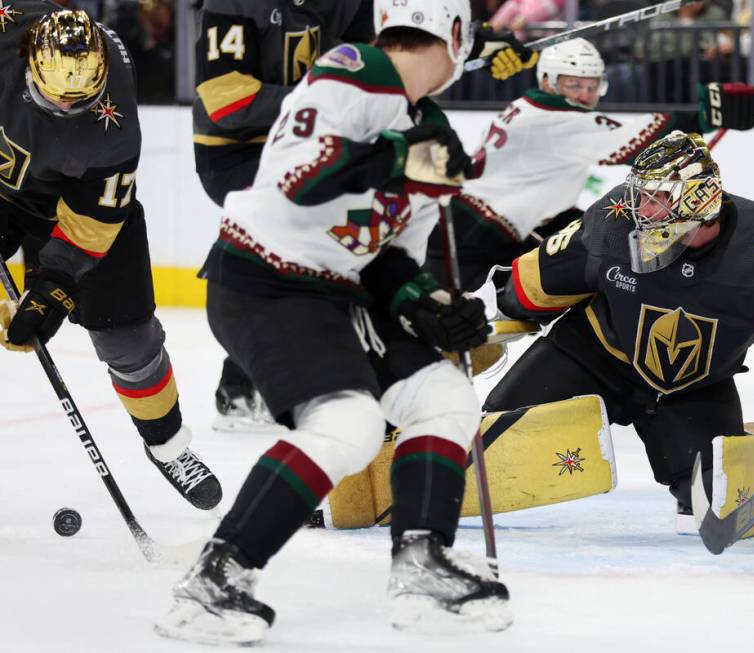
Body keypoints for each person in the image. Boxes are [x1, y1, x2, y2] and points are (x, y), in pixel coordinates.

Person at [154, 0, 512, 644]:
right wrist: (399, 152)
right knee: (349, 423)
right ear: (454, 35)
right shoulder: (353, 70)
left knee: (444, 396)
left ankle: (422, 559)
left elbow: (395, 261)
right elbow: (302, 181)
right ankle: (218, 578)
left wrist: (432, 310)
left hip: (341, 291)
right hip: (266, 283)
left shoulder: (436, 135)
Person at [482, 130, 754, 528]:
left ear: (698, 198)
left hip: (694, 386)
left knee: (713, 501)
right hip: (592, 355)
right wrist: (487, 317)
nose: (639, 207)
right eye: (640, 194)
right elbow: (538, 278)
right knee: (495, 438)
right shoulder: (614, 221)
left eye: (655, 197)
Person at [195, 0, 537, 431]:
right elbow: (227, 99)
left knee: (390, 232)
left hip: (332, 140)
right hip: (240, 152)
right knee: (319, 248)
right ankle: (300, 378)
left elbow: (389, 52)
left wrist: (469, 43)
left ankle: (371, 361)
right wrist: (336, 94)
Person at [0, 5, 222, 510]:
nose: (67, 109)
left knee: (129, 337)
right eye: (55, 97)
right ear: (29, 60)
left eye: (81, 101)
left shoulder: (113, 127)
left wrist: (53, 287)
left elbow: (92, 222)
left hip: (80, 205)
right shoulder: (8, 28)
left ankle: (167, 446)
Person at [423, 37, 754, 292]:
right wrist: (709, 112)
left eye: (591, 86)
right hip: (476, 231)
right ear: (547, 81)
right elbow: (641, 142)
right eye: (573, 84)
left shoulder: (531, 107)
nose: (584, 95)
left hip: (483, 222)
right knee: (440, 317)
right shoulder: (556, 119)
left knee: (591, 241)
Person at [193, 0, 375, 431]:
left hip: (304, 143)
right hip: (235, 152)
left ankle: (248, 383)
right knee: (322, 234)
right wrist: (324, 100)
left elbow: (372, 65)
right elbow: (226, 101)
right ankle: (255, 383)